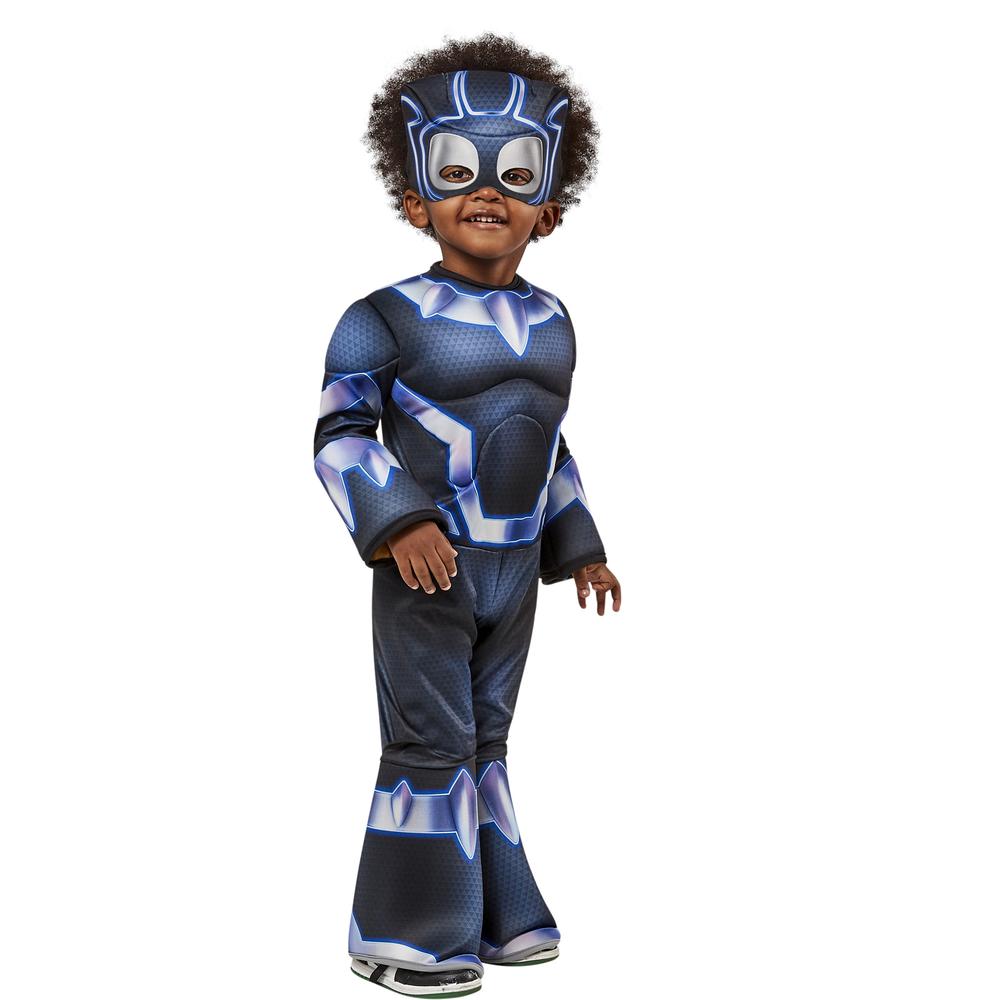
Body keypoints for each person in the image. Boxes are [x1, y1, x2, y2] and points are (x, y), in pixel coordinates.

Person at [311, 34, 623, 997]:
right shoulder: (381, 316)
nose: (486, 192)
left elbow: (549, 443)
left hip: (514, 570)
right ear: (416, 198)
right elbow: (338, 434)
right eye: (457, 171)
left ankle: (495, 912)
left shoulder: (557, 321)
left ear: (550, 207)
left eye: (515, 174)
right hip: (427, 568)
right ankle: (405, 934)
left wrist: (582, 546)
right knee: (429, 742)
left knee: (488, 738)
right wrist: (398, 522)